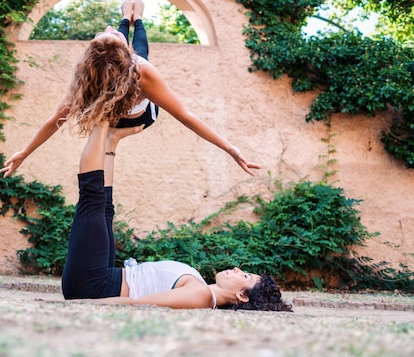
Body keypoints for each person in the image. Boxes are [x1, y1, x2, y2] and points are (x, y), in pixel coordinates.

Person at [0, 0, 261, 178]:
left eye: (108, 30)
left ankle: (131, 16)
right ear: (125, 54)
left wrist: (24, 153)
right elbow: (185, 115)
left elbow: (53, 120)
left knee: (139, 54)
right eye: (111, 33)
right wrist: (230, 148)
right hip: (143, 118)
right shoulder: (141, 70)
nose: (109, 27)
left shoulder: (87, 77)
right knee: (144, 54)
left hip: (115, 114)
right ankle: (137, 19)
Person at [61, 122, 292, 311]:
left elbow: (137, 303)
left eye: (246, 276)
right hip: (103, 277)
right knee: (104, 208)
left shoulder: (201, 297)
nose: (238, 269)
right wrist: (112, 140)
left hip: (93, 286)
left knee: (93, 200)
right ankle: (110, 140)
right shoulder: (200, 287)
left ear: (242, 296)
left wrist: (83, 304)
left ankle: (101, 121)